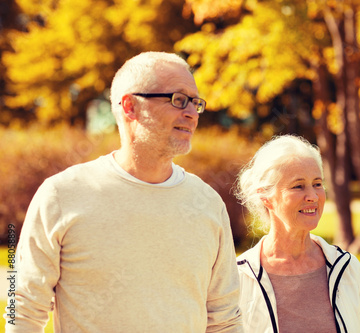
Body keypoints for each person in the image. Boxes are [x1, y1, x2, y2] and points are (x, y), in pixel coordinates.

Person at [5, 52, 242, 332]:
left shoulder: (207, 203)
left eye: (195, 102)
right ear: (130, 106)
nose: (191, 113)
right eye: (178, 100)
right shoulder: (61, 195)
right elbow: (22, 307)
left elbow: (224, 319)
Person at [234, 135, 360, 333]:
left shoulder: (347, 267)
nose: (312, 196)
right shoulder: (239, 277)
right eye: (298, 186)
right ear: (266, 197)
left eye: (317, 184)